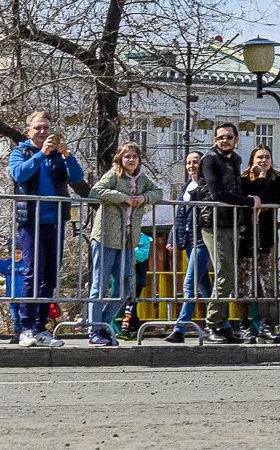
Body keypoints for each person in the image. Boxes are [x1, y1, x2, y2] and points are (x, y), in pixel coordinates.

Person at [8, 111, 84, 347]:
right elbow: (19, 174)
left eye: (46, 128)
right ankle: (26, 327)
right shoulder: (21, 152)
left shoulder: (57, 156)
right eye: (38, 128)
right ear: (28, 130)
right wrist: (41, 154)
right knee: (33, 273)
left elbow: (77, 177)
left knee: (50, 276)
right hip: (31, 222)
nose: (43, 132)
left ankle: (41, 327)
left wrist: (66, 155)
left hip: (55, 220)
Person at [86, 141, 162, 346]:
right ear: (120, 158)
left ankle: (103, 325)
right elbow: (96, 191)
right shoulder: (113, 174)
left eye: (134, 157)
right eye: (127, 156)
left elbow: (159, 193)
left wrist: (144, 197)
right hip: (106, 236)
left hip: (128, 241)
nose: (131, 160)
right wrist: (122, 197)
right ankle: (94, 330)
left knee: (126, 287)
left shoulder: (142, 178)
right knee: (100, 285)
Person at [197, 123, 253, 344]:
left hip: (232, 223)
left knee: (230, 277)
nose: (224, 140)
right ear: (214, 139)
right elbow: (217, 192)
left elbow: (237, 188)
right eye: (220, 137)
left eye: (229, 137)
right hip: (214, 223)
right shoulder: (209, 160)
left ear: (236, 139)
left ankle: (224, 324)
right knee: (225, 274)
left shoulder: (236, 159)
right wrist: (248, 202)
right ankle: (213, 324)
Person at [239, 144, 280, 343]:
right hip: (246, 236)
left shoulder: (276, 180)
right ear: (252, 160)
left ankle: (268, 325)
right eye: (259, 157)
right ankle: (244, 326)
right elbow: (243, 200)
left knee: (268, 284)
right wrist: (257, 180)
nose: (263, 160)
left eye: (266, 157)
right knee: (243, 284)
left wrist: (264, 181)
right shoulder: (243, 179)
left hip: (266, 236)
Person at [164, 152, 211, 343]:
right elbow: (180, 215)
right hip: (189, 239)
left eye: (196, 162)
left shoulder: (206, 185)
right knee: (204, 285)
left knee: (189, 283)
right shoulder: (186, 186)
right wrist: (172, 237)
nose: (192, 166)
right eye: (188, 163)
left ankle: (180, 328)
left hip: (203, 238)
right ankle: (222, 323)